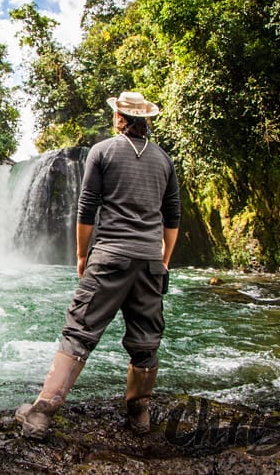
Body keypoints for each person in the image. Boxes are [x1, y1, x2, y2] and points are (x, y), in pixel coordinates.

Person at [15, 91, 181, 440]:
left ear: (120, 118)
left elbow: (87, 207)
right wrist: (163, 261)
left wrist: (81, 255)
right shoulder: (164, 160)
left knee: (80, 330)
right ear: (146, 121)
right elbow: (172, 217)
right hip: (150, 261)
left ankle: (42, 412)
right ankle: (139, 416)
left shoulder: (102, 151)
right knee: (146, 340)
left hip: (110, 256)